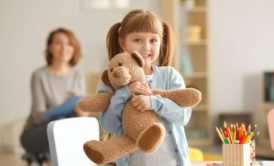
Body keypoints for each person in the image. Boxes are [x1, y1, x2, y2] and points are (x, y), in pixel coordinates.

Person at [97, 9, 192, 166]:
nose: (146, 47)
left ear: (161, 41)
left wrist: (153, 102)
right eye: (137, 40)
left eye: (153, 40)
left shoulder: (169, 76)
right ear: (122, 43)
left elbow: (183, 116)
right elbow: (108, 125)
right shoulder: (111, 81)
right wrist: (124, 92)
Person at [20, 28, 87, 163]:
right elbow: (38, 117)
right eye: (58, 43)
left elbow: (82, 114)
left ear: (74, 48)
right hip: (37, 132)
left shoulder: (77, 75)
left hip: (66, 130)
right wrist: (64, 108)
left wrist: (81, 112)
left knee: (80, 128)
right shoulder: (39, 75)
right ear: (50, 48)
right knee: (61, 128)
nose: (64, 48)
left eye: (69, 44)